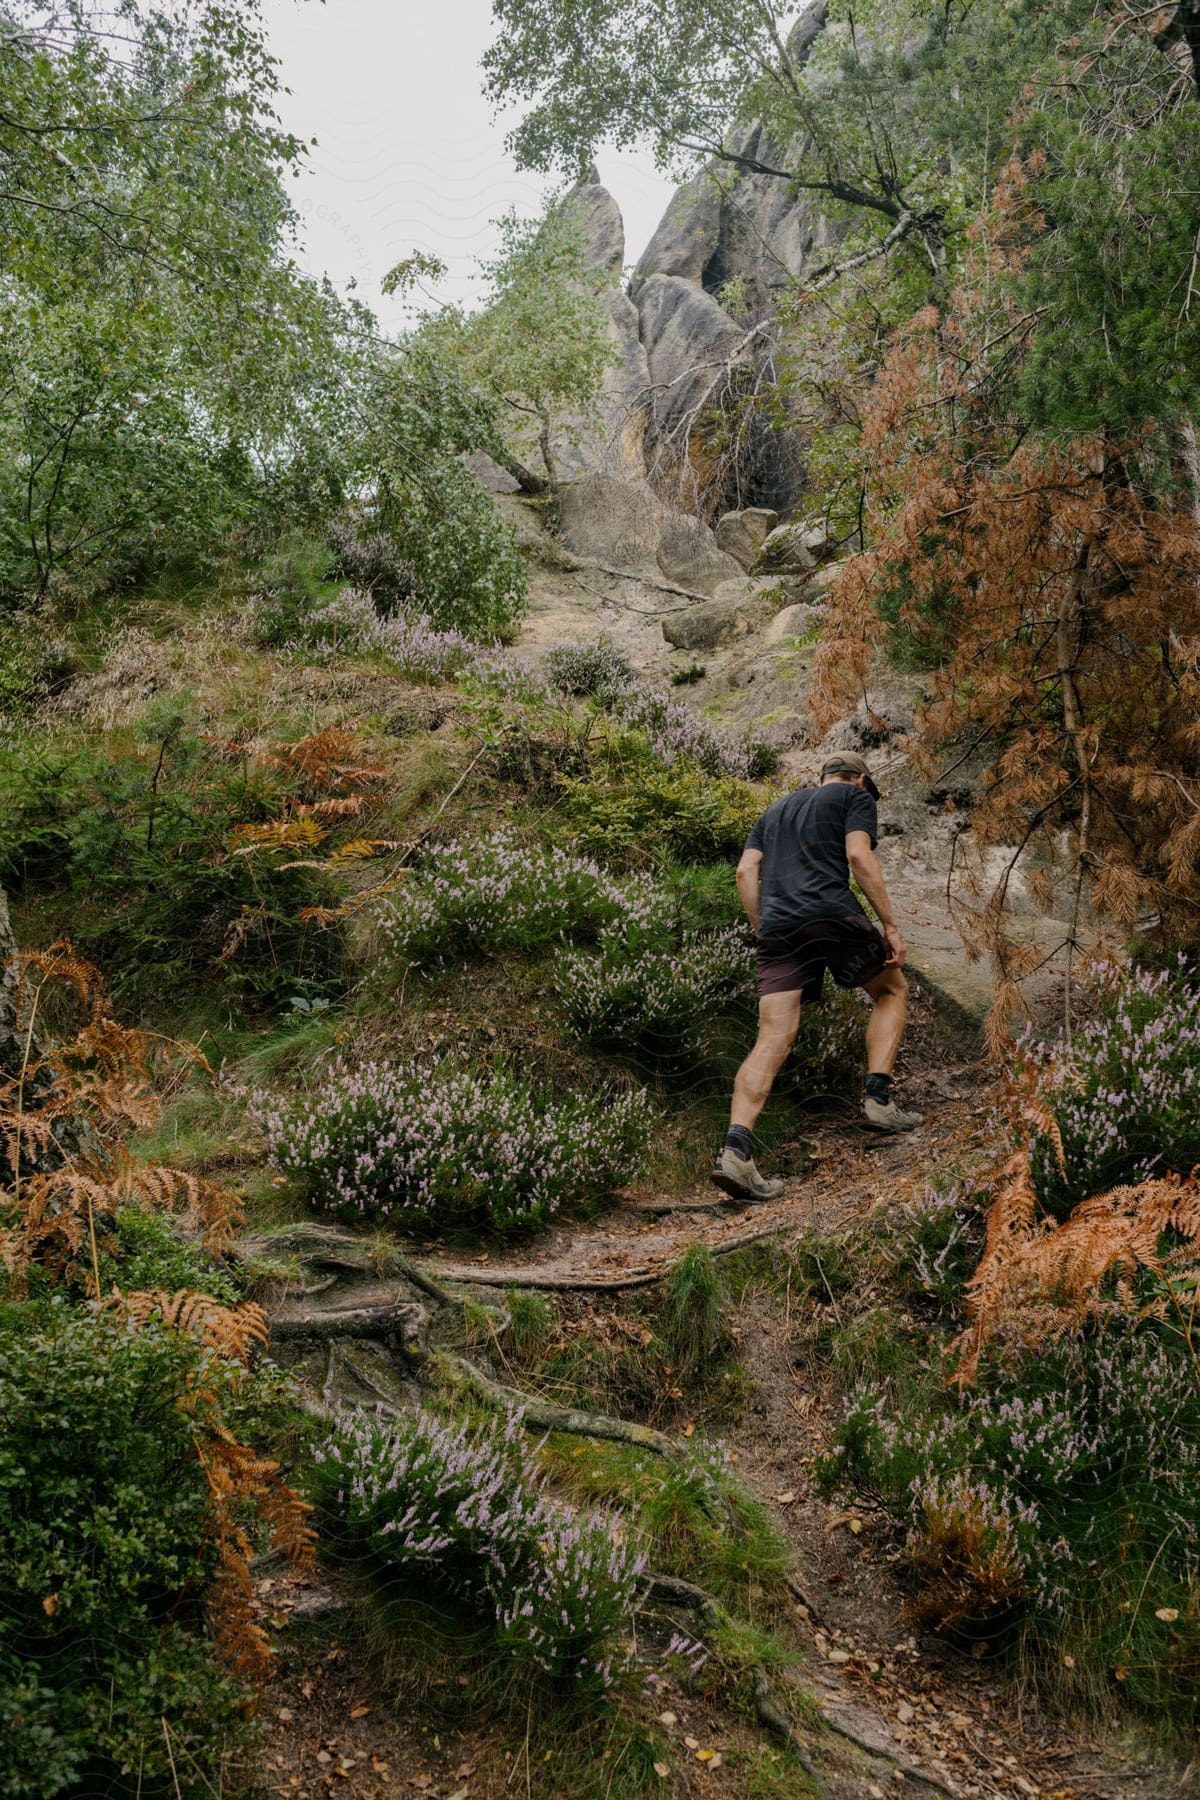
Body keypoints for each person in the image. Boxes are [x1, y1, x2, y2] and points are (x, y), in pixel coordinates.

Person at [711, 751, 922, 1204]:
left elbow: (746, 872)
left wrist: (762, 928)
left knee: (771, 1039)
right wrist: (890, 925)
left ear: (818, 776)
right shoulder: (855, 796)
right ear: (859, 779)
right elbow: (858, 856)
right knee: (891, 990)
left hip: (778, 929)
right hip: (832, 915)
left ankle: (736, 1152)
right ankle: (878, 1100)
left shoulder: (773, 811)